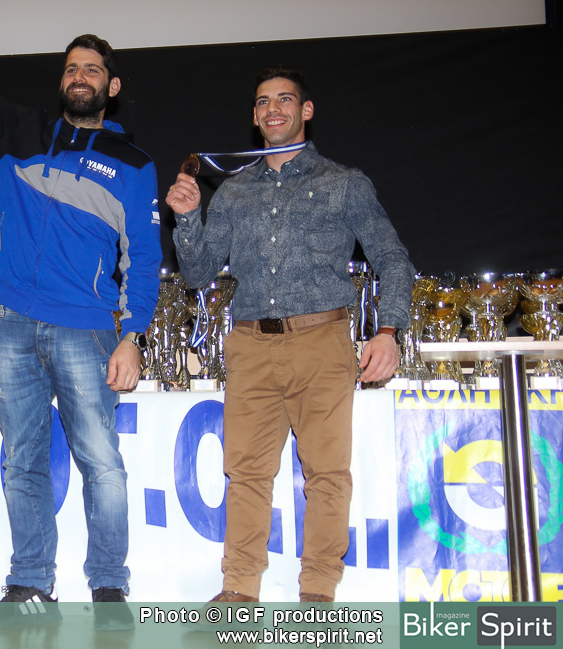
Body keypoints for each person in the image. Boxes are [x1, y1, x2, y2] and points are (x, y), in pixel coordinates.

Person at [0, 0, 161, 630]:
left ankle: (110, 590)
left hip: (86, 327)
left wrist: (133, 333)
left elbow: (145, 257)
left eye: (92, 69)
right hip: (10, 321)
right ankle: (29, 586)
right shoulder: (21, 132)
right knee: (21, 462)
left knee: (102, 464)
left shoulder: (133, 164)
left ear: (112, 86)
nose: (79, 77)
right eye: (70, 68)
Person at [166, 68, 413, 603]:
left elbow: (393, 258)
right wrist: (186, 220)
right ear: (255, 116)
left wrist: (388, 329)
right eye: (263, 102)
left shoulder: (344, 182)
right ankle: (239, 591)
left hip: (322, 340)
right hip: (251, 343)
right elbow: (198, 274)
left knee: (326, 474)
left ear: (306, 110)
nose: (273, 109)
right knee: (245, 473)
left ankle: (318, 592)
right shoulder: (233, 192)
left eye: (284, 99)